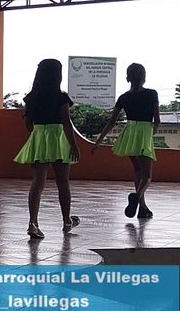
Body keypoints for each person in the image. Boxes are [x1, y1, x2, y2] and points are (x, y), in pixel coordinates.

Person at [14, 59, 81, 239]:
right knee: (63, 183)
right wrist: (74, 145)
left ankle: (33, 223)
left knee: (37, 183)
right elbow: (66, 122)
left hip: (39, 137)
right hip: (58, 138)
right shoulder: (61, 97)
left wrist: (38, 136)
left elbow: (28, 123)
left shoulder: (31, 97)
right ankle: (66, 221)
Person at [93, 63, 160, 218]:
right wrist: (151, 134)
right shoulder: (152, 94)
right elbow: (157, 120)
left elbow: (111, 122)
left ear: (128, 78)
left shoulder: (123, 97)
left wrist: (98, 142)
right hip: (144, 132)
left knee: (137, 171)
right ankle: (137, 197)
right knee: (147, 176)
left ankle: (142, 208)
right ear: (143, 77)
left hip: (129, 133)